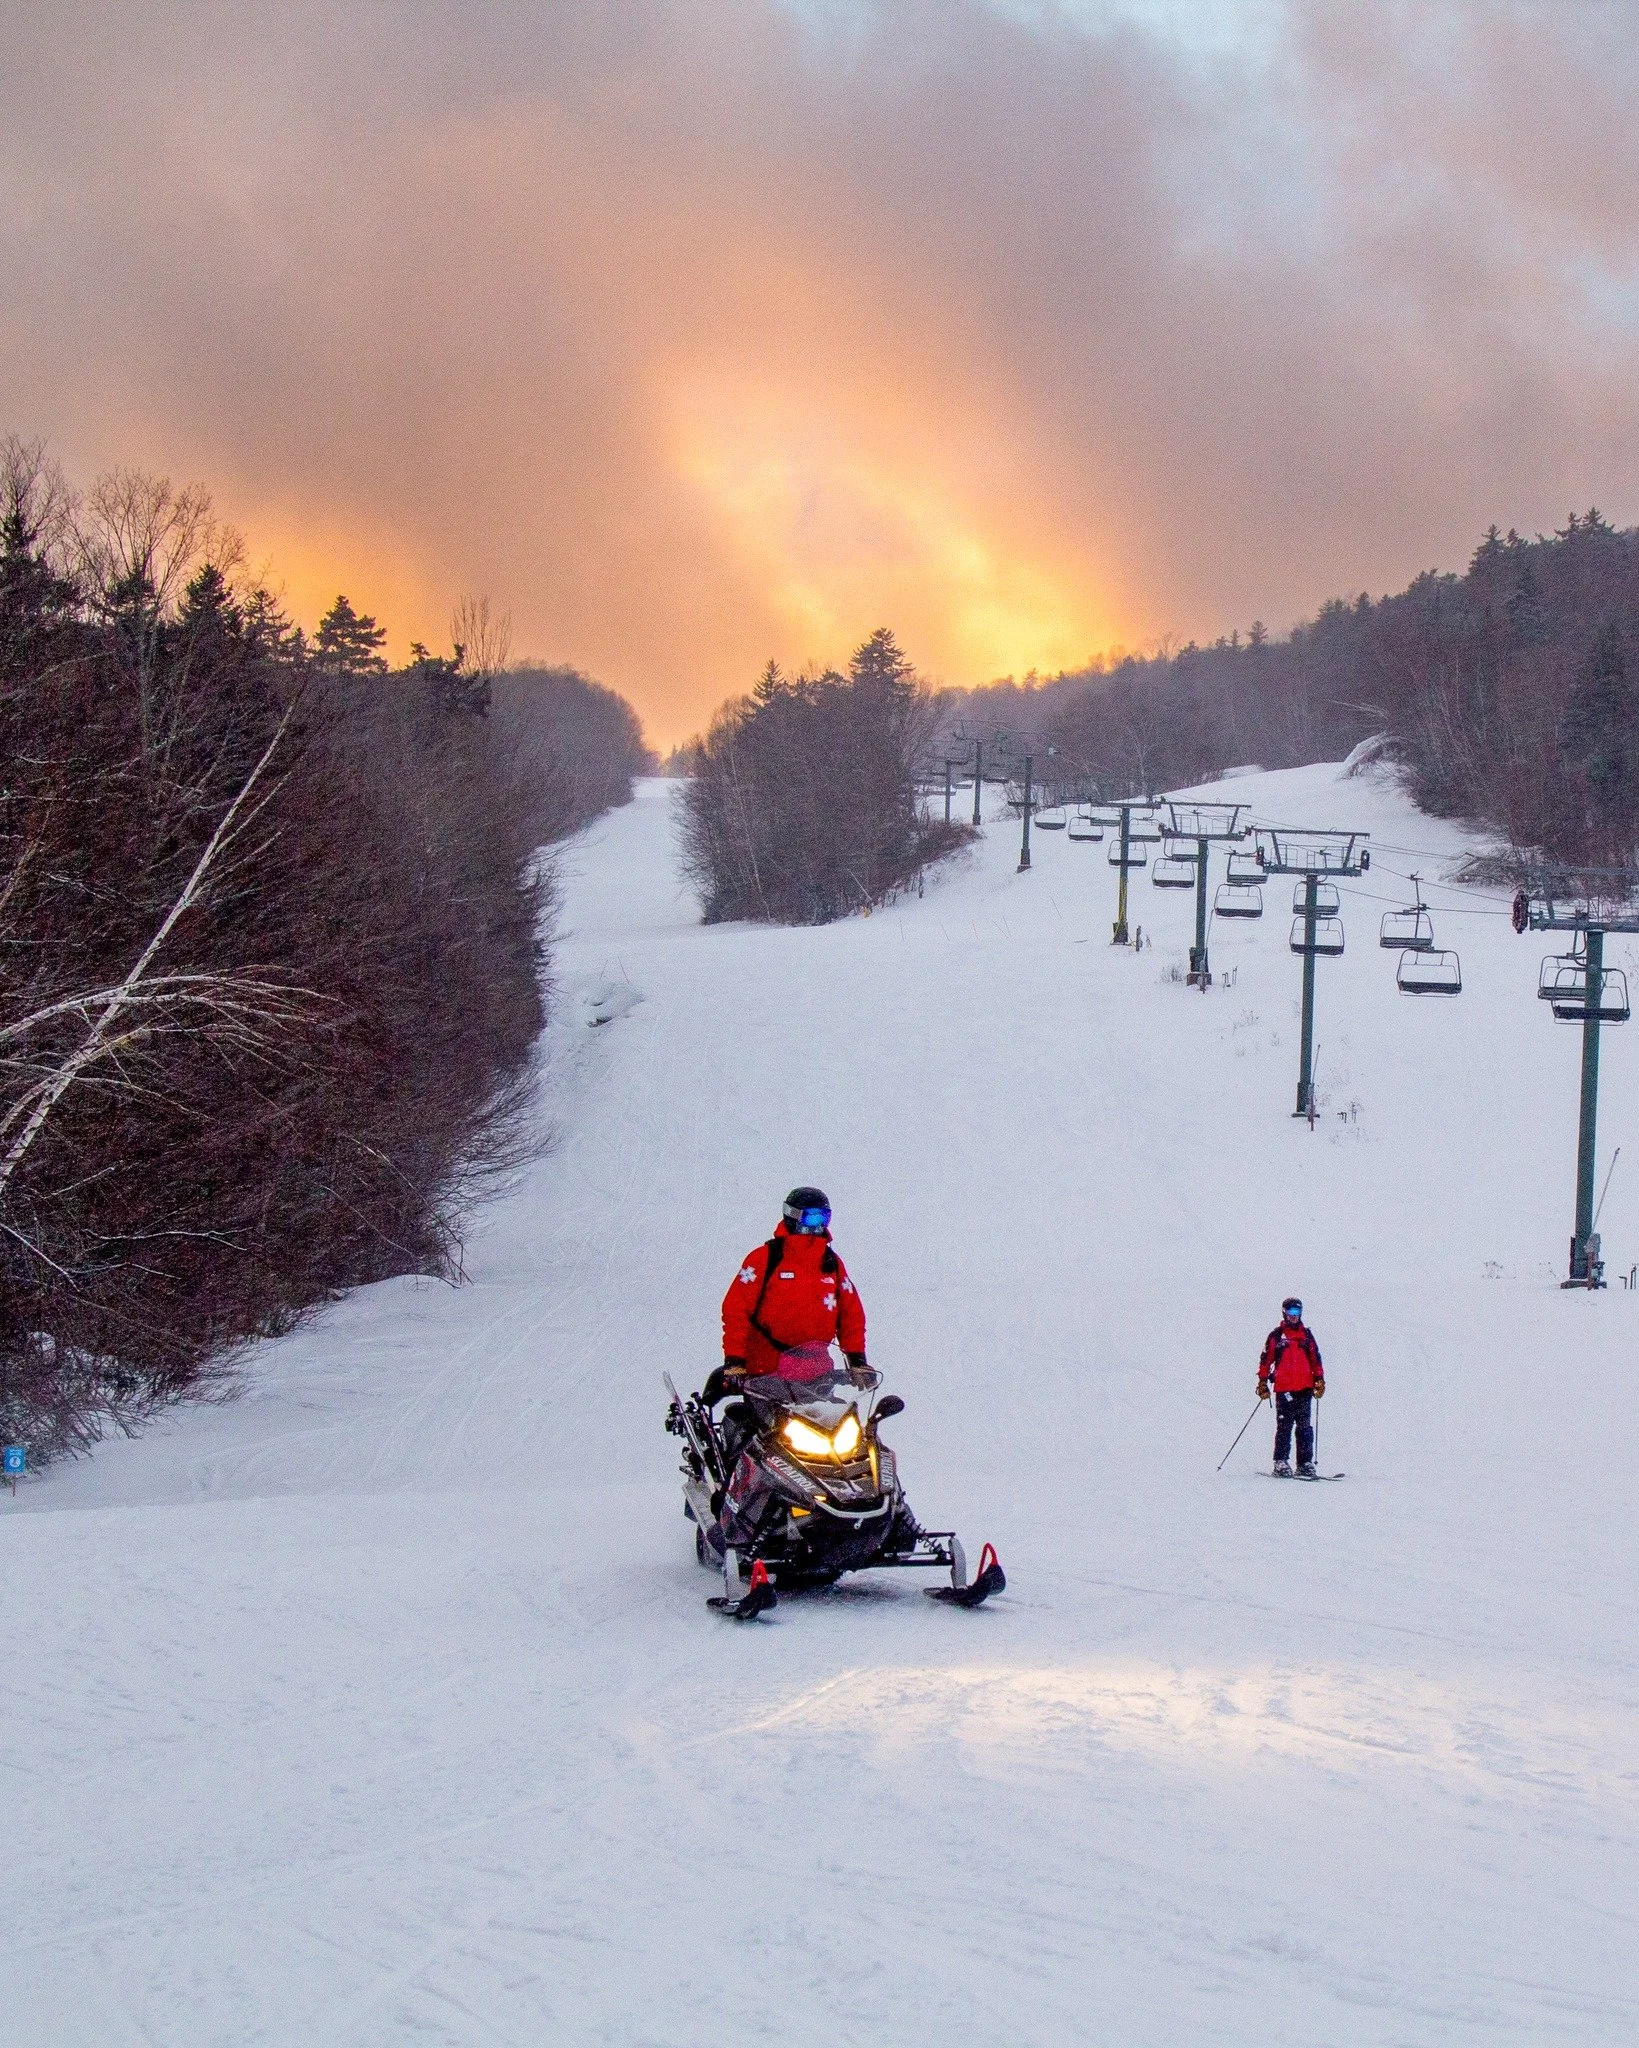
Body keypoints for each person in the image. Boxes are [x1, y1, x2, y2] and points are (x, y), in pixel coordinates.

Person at [705, 1185, 868, 1410]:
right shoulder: (765, 1259)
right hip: (766, 1376)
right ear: (793, 1216)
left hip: (817, 1377)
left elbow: (851, 1315)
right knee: (767, 1438)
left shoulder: (831, 1264)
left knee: (842, 1434)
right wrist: (735, 1362)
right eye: (811, 1218)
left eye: (824, 1218)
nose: (818, 1225)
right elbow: (735, 1309)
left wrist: (857, 1361)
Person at [1258, 1296, 1324, 1477]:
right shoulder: (1276, 1336)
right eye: (1291, 1312)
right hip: (1284, 1389)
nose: (1294, 1316)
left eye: (1298, 1312)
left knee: (1304, 1427)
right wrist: (1263, 1381)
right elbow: (1266, 1360)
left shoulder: (1307, 1336)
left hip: (1305, 1388)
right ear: (1284, 1313)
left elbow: (1315, 1359)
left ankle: (1305, 1463)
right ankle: (1281, 1462)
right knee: (1284, 1426)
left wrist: (1319, 1379)